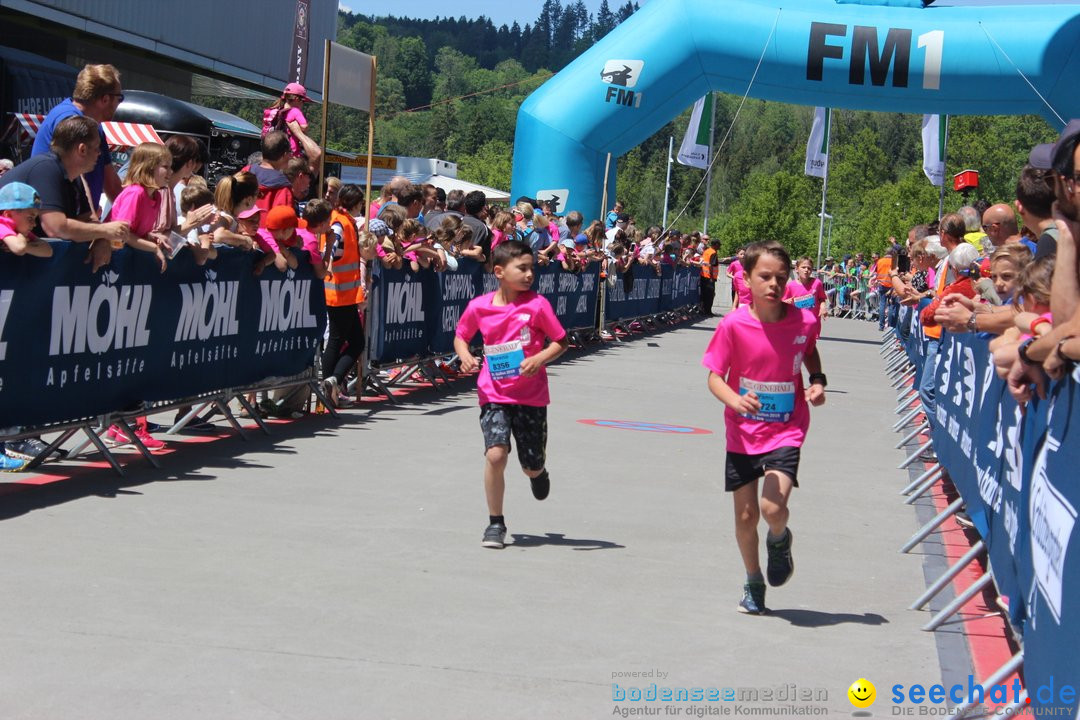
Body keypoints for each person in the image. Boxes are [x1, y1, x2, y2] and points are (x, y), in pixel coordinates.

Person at [701, 240, 826, 615]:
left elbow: (808, 349)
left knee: (772, 508)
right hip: (742, 431)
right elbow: (714, 376)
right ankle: (753, 581)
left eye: (780, 278)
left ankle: (779, 538)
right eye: (765, 277)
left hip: (786, 428)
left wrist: (817, 380)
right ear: (747, 280)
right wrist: (734, 399)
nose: (773, 284)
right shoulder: (734, 323)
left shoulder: (803, 320)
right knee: (744, 516)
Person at [453, 239, 570, 549]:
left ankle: (538, 472)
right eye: (523, 268)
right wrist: (464, 355)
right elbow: (461, 336)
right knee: (495, 454)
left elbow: (561, 341)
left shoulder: (538, 305)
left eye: (532, 268)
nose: (530, 274)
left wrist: (539, 358)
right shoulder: (479, 306)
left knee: (530, 463)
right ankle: (495, 523)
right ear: (500, 272)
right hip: (493, 392)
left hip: (531, 396)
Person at [0, 115, 127, 271]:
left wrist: (102, 239)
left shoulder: (74, 177)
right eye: (97, 148)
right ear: (82, 149)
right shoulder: (46, 168)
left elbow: (88, 219)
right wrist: (106, 230)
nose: (99, 153)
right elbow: (55, 227)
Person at [31, 63, 124, 211]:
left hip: (74, 220)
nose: (119, 104)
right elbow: (77, 173)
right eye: (120, 98)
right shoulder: (69, 120)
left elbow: (112, 184)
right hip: (54, 221)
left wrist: (133, 214)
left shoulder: (95, 128)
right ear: (105, 99)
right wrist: (91, 216)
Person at [320, 185, 365, 408]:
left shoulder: (343, 219)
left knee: (355, 341)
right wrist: (328, 261)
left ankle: (332, 382)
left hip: (344, 292)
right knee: (339, 341)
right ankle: (330, 386)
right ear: (356, 203)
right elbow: (333, 243)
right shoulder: (340, 222)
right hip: (338, 292)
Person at [262, 82, 322, 164]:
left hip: (276, 154)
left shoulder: (275, 112)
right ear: (297, 99)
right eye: (303, 101)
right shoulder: (295, 111)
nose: (302, 104)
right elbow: (304, 127)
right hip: (292, 154)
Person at [0, 182, 52, 257]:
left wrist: (26, 246)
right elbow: (19, 249)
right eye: (30, 218)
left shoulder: (18, 230)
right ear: (8, 215)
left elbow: (48, 251)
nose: (34, 224)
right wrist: (23, 239)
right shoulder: (1, 226)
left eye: (35, 218)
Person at [783, 256, 828, 328]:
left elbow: (822, 298)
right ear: (796, 269)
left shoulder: (817, 283)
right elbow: (782, 304)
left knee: (811, 339)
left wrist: (823, 307)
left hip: (812, 323)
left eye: (809, 268)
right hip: (796, 323)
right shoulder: (790, 286)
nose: (806, 270)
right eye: (803, 267)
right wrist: (787, 302)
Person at [699, 238, 720, 315]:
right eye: (719, 245)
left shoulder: (707, 251)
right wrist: (711, 277)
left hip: (703, 275)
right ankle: (708, 311)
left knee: (703, 294)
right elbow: (711, 265)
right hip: (709, 277)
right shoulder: (713, 252)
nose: (719, 247)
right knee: (710, 295)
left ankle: (703, 310)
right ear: (715, 245)